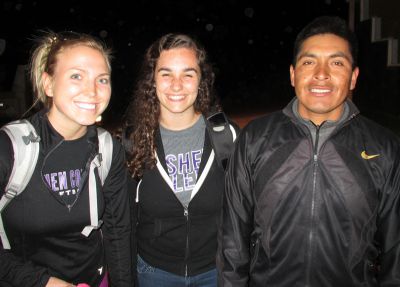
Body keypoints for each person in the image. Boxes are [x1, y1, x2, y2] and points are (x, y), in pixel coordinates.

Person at [218, 15, 400, 286]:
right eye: (309, 61)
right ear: (293, 74)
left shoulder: (384, 147)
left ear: (353, 77)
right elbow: (233, 240)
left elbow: (395, 249)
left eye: (337, 62)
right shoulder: (255, 139)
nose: (321, 74)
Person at [0, 31, 133, 287]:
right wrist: (46, 283)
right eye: (76, 76)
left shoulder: (107, 148)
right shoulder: (11, 148)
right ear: (48, 84)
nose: (92, 90)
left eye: (102, 79)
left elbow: (118, 234)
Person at [123, 33, 239, 287]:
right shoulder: (134, 141)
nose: (177, 85)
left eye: (188, 74)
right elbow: (123, 220)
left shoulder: (227, 136)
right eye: (166, 74)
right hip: (154, 272)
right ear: (152, 81)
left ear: (201, 80)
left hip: (215, 270)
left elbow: (244, 211)